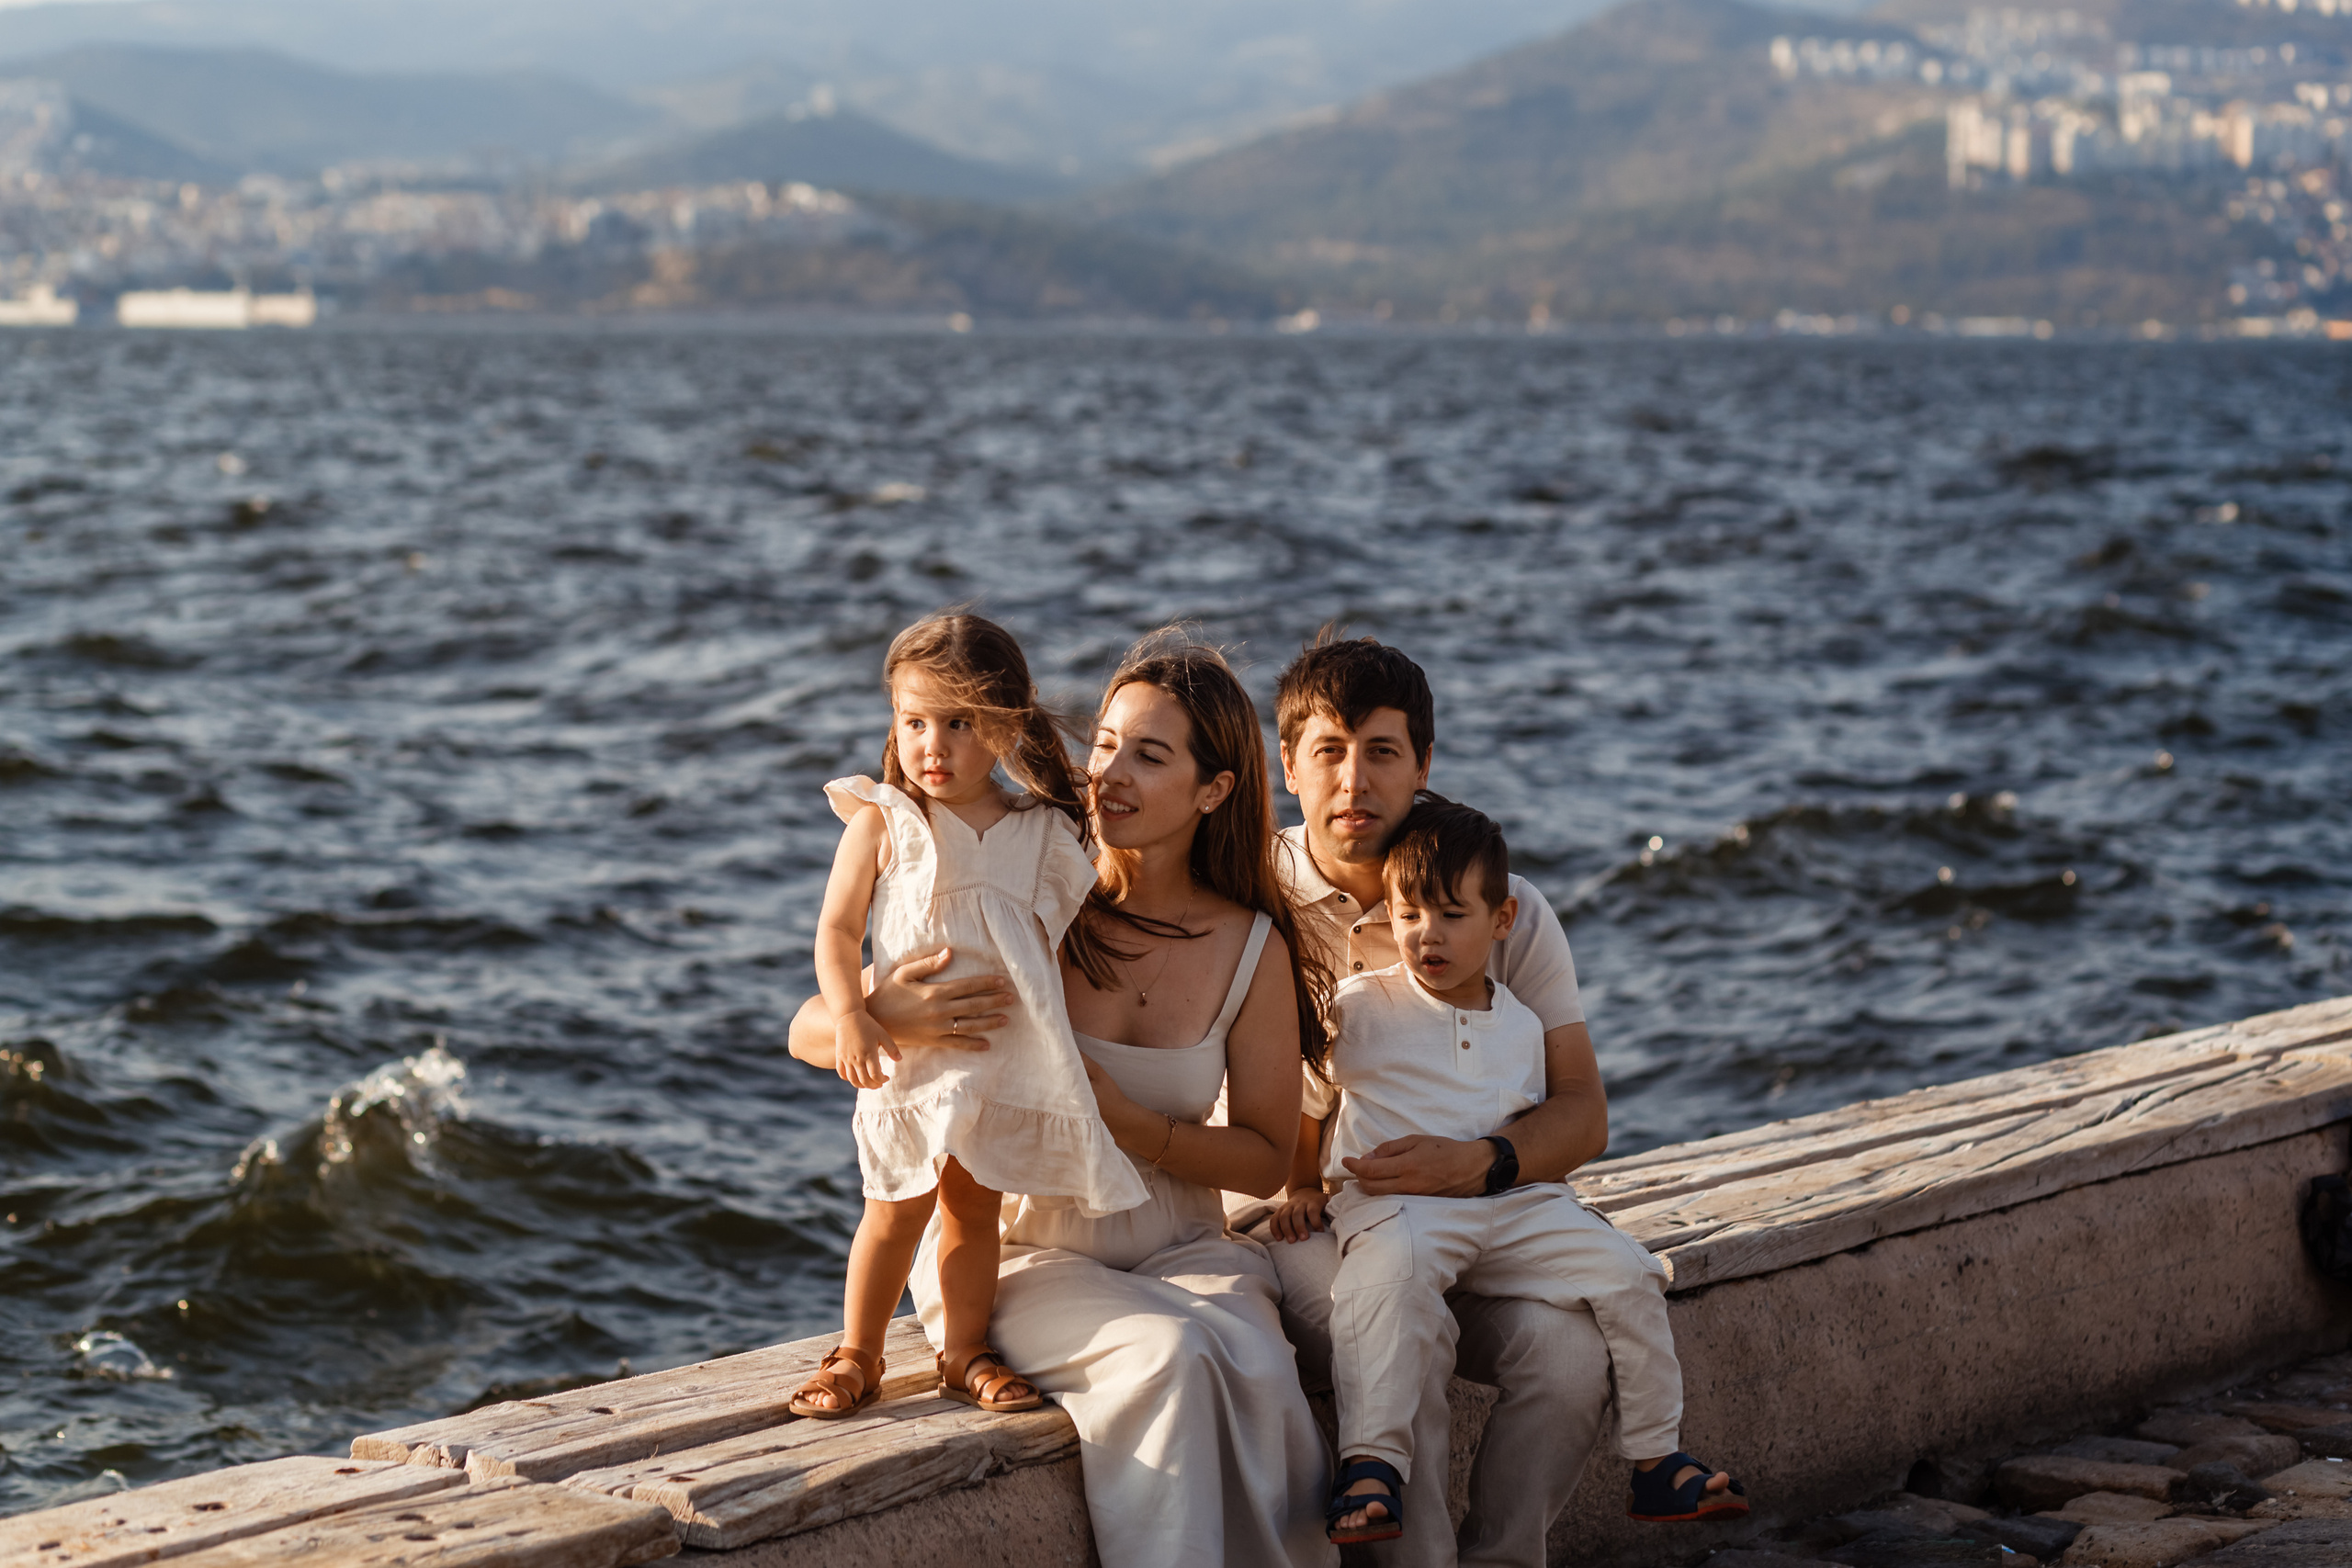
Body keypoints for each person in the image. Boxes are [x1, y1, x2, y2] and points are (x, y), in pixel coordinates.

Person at [789, 631, 1339, 1568]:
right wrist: (888, 1012)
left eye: (1148, 755)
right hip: (1023, 1251)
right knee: (1166, 1358)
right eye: (1106, 743)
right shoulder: (1041, 888)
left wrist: (1134, 1127)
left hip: (1185, 1247)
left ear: (1214, 790)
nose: (1108, 772)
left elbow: (1258, 1156)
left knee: (1254, 1366)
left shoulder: (1251, 944)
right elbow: (809, 1029)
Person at [1274, 797, 1744, 1544]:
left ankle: (1657, 1455)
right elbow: (1307, 1100)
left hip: (1511, 1204)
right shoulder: (1360, 1008)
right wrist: (1303, 1184)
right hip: (1396, 1206)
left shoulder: (1524, 1022)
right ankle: (1372, 1464)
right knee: (1383, 1283)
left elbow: (1562, 1122)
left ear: (1502, 920)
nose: (1427, 933)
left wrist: (1508, 1178)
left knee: (1629, 1272)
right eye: (1409, 914)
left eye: (1452, 914)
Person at [1247, 629, 1618, 1567]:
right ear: (1287, 764)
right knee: (1396, 1333)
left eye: (1381, 751)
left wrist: (1481, 1163)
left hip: (1473, 1207)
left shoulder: (1504, 908)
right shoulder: (1246, 897)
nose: (1353, 782)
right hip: (1309, 1224)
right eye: (1328, 751)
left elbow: (1581, 1114)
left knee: (1574, 1360)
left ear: (1423, 764)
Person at [791, 612, 1147, 1423]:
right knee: (892, 1208)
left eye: (959, 723)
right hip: (910, 1059)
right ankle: (859, 1350)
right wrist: (852, 1012)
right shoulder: (886, 819)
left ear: (1005, 724)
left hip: (1001, 1056)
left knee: (973, 1208)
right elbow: (837, 930)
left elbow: (1054, 938)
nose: (933, 745)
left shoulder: (1040, 830)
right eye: (914, 721)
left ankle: (963, 1350)